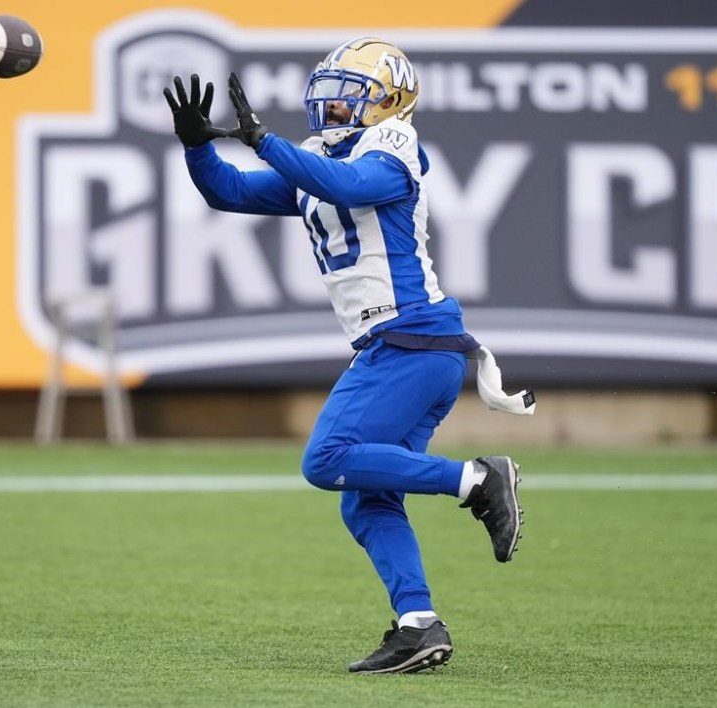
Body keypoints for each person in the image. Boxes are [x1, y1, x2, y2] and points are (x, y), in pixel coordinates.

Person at [163, 37, 536, 674]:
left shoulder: (392, 147)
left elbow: (347, 183)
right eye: (330, 100)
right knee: (364, 496)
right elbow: (227, 192)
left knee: (327, 459)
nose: (333, 111)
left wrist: (264, 142)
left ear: (389, 102)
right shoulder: (317, 159)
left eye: (348, 101)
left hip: (412, 339)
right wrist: (198, 145)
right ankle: (420, 625)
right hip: (407, 348)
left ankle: (478, 479)